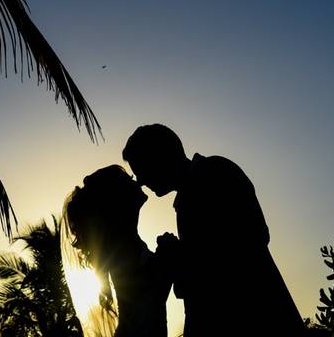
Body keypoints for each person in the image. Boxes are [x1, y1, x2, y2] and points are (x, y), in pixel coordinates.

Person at [122, 124, 304, 337]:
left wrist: (180, 256)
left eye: (142, 169)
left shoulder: (214, 172)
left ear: (160, 156)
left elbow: (250, 241)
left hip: (259, 319)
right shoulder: (190, 193)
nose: (142, 182)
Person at [62, 165, 172, 337]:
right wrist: (167, 258)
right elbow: (149, 298)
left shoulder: (124, 245)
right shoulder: (123, 251)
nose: (135, 180)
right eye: (127, 179)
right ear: (116, 200)